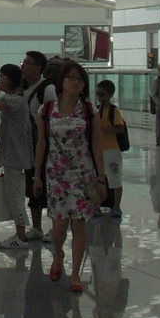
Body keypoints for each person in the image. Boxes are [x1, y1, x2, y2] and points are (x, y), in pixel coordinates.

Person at [32, 56, 102, 291]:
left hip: (83, 174)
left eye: (80, 80)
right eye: (71, 78)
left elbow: (96, 144)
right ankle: (58, 254)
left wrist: (101, 177)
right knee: (59, 225)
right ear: (61, 81)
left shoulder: (89, 110)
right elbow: (41, 142)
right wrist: (37, 176)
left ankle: (75, 274)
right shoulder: (47, 110)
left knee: (79, 223)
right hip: (56, 175)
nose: (75, 83)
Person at [0, 63, 32, 250]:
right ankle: (20, 233)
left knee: (15, 197)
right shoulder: (18, 98)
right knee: (15, 195)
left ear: (10, 79)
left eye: (1, 76)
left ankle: (21, 236)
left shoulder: (13, 100)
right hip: (15, 153)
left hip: (14, 155)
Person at [18, 50, 50, 241]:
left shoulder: (47, 89)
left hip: (44, 146)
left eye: (28, 63)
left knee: (48, 184)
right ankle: (36, 227)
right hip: (29, 146)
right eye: (23, 63)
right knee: (32, 184)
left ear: (39, 68)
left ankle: (55, 227)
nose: (23, 66)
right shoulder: (23, 87)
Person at [92, 79, 125, 218]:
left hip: (112, 150)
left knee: (114, 178)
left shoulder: (114, 111)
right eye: (98, 94)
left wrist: (109, 129)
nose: (100, 97)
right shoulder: (96, 110)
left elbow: (121, 128)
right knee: (97, 179)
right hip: (98, 150)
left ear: (110, 94)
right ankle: (96, 205)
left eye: (102, 94)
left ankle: (116, 206)